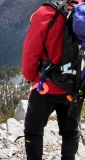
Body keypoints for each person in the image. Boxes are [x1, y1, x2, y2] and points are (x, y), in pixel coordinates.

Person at [22, 0, 84, 159]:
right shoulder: (82, 12)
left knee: (33, 130)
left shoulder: (45, 13)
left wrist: (33, 78)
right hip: (76, 86)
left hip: (47, 86)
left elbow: (30, 52)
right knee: (70, 132)